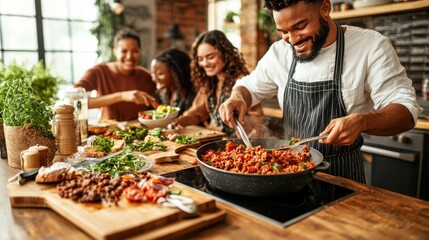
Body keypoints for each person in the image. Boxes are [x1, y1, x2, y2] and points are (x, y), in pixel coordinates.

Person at [219, 0, 421, 183]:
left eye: (300, 27)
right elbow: (249, 87)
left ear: (325, 8)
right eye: (283, 31)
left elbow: (406, 111)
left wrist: (363, 121)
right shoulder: (279, 52)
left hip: (343, 178)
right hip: (288, 175)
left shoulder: (371, 46)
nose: (292, 40)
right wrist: (237, 98)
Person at [172, 30, 265, 137]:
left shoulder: (243, 84)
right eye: (200, 59)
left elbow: (256, 123)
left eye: (210, 57)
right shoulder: (209, 83)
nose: (205, 63)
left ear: (225, 54)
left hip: (235, 145)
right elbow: (198, 113)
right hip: (212, 140)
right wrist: (180, 121)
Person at [75, 28, 156, 121]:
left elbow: (161, 104)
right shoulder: (99, 72)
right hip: (107, 132)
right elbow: (74, 101)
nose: (129, 56)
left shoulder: (146, 76)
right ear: (115, 51)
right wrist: (121, 96)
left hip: (141, 132)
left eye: (135, 51)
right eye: (124, 51)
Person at [150, 48, 195, 115]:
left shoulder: (190, 96)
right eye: (153, 73)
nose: (154, 78)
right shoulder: (164, 94)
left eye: (160, 74)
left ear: (175, 74)